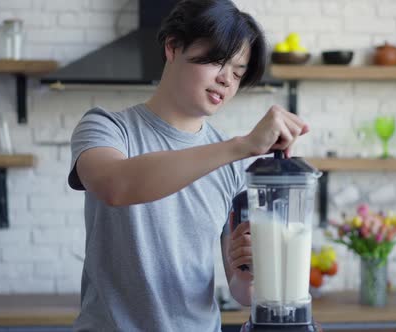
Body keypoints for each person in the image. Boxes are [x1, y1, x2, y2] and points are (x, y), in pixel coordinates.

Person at [68, 0, 309, 331]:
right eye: (218, 62)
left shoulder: (234, 163)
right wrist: (241, 146)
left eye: (238, 73)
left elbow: (242, 290)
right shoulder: (107, 128)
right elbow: (115, 184)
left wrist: (255, 267)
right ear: (172, 47)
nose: (227, 80)